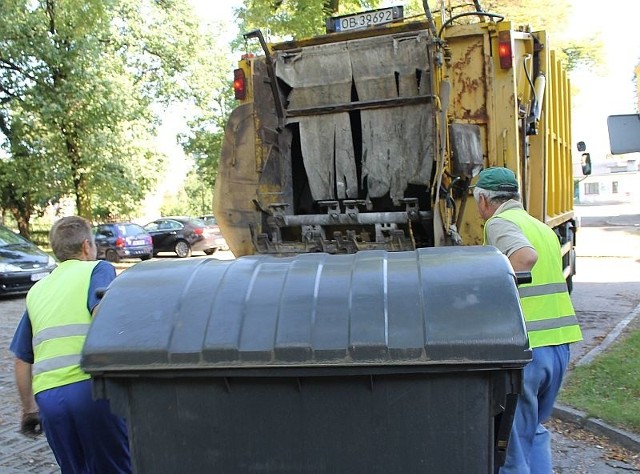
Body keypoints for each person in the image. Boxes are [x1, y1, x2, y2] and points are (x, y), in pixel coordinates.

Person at [472, 167, 583, 474]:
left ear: (483, 200)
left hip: (527, 351)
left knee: (510, 446)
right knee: (533, 431)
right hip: (558, 347)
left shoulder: (499, 222)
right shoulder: (542, 228)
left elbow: (524, 258)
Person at [10, 216, 131, 474]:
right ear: (86, 246)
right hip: (91, 389)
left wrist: (29, 409)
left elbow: (22, 360)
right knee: (115, 467)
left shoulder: (38, 290)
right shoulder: (98, 269)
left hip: (49, 399)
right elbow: (101, 312)